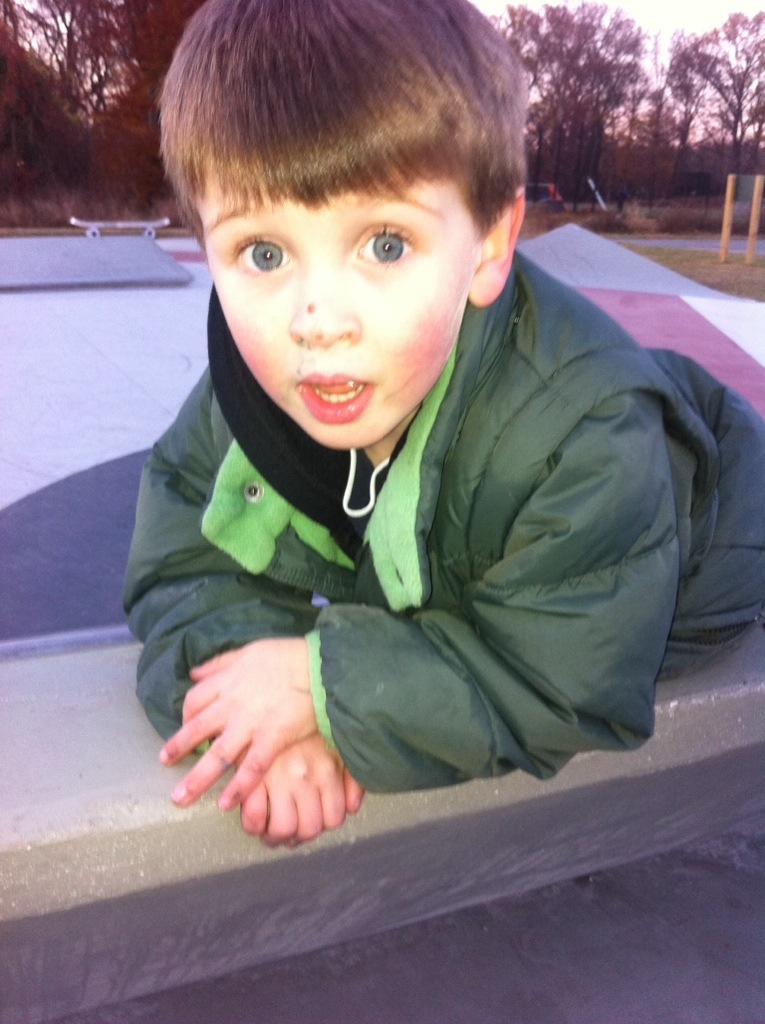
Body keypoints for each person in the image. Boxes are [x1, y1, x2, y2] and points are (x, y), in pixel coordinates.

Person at [124, 0, 765, 848]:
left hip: (707, 553)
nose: (318, 322)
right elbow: (180, 567)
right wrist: (260, 701)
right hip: (505, 562)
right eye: (263, 253)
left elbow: (565, 682)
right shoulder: (249, 393)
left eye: (384, 245)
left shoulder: (584, 439)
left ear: (490, 246)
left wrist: (326, 687)